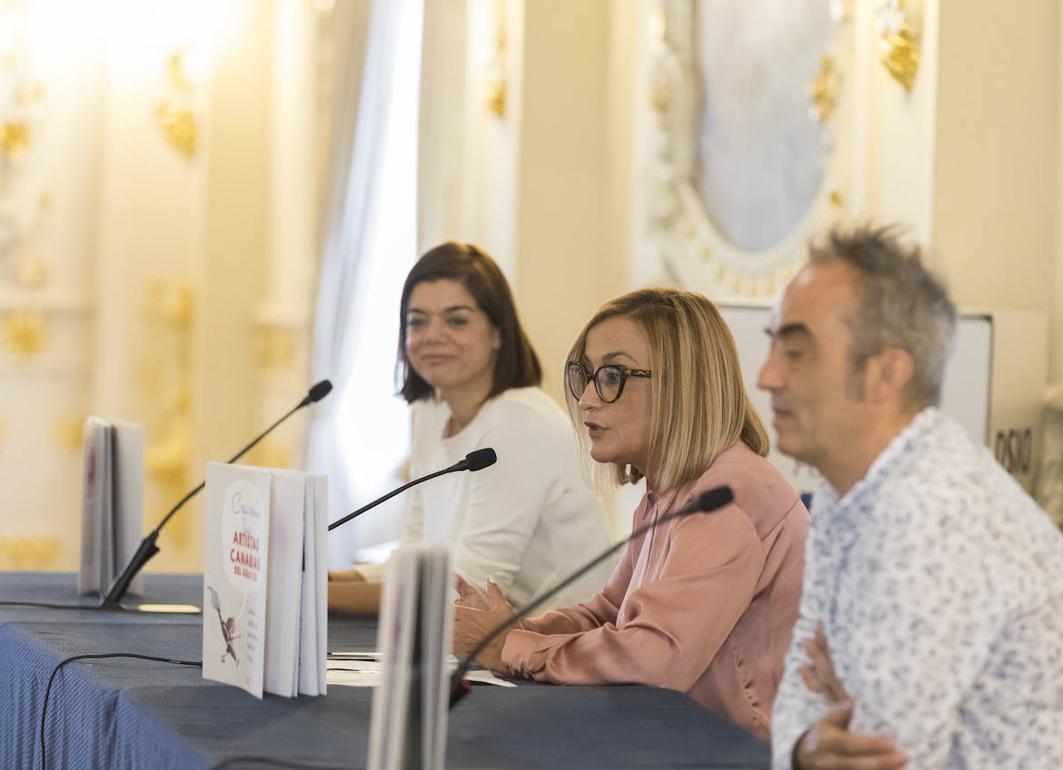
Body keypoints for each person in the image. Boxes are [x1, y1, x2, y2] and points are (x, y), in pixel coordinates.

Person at [761, 225, 1063, 769]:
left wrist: (844, 692)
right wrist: (805, 748)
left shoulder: (932, 514)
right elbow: (806, 672)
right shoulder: (846, 487)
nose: (766, 375)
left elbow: (881, 757)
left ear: (885, 374)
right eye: (772, 345)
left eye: (797, 352)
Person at [452, 287, 810, 740]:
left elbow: (653, 659)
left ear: (685, 383)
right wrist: (514, 630)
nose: (586, 400)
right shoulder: (674, 490)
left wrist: (509, 648)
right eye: (586, 375)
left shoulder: (727, 499)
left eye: (613, 375)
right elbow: (611, 613)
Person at [328, 242, 613, 615]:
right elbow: (415, 561)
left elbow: (471, 591)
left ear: (498, 333)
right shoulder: (429, 413)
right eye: (417, 321)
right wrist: (319, 579)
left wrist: (310, 594)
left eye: (456, 320)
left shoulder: (520, 422)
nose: (432, 335)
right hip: (484, 647)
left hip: (558, 650)